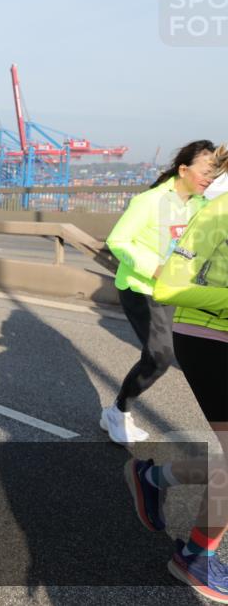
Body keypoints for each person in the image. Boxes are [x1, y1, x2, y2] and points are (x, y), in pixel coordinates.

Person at [126, 143, 227, 601]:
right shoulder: (218, 211)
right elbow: (170, 283)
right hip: (210, 340)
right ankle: (197, 555)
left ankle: (154, 479)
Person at [103, 140, 217, 445]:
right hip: (142, 288)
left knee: (176, 351)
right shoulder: (150, 201)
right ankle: (117, 411)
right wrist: (155, 269)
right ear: (183, 169)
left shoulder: (200, 205)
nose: (210, 178)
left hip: (178, 292)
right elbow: (118, 241)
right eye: (205, 172)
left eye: (215, 174)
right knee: (161, 355)